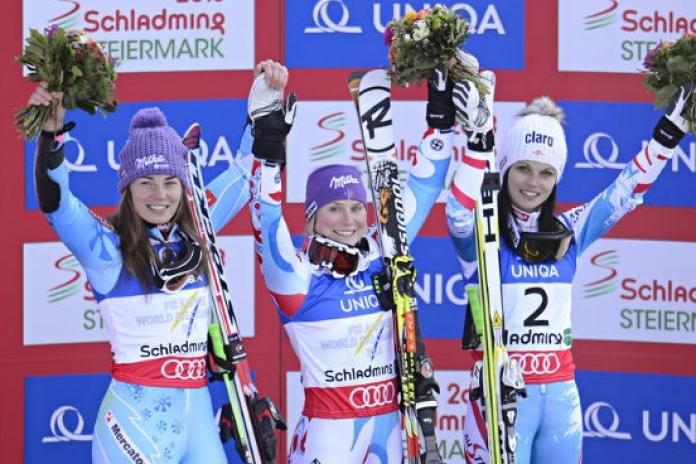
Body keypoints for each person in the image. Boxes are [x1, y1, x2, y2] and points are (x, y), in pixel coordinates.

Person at [28, 60, 287, 463]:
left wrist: (263, 110)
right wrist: (51, 135)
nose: (159, 195)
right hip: (134, 425)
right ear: (128, 189)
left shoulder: (199, 224)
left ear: (183, 186)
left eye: (169, 182)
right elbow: (57, 205)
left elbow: (243, 173)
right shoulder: (107, 248)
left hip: (198, 418)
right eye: (145, 183)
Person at [247, 61, 487, 462]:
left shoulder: (382, 251)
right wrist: (269, 151)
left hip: (391, 427)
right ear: (312, 218)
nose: (349, 220)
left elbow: (425, 186)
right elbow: (266, 223)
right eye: (334, 209)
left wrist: (441, 123)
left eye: (357, 207)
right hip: (328, 435)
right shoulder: (296, 277)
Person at [447, 77, 694, 463]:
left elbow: (624, 193)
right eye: (523, 168)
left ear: (557, 177)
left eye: (546, 173)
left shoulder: (570, 230)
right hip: (499, 394)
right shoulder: (483, 233)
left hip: (560, 395)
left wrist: (667, 135)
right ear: (506, 168)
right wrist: (479, 142)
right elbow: (457, 214)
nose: (533, 183)